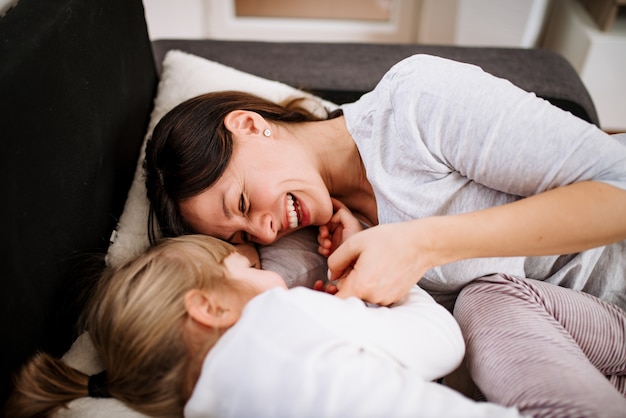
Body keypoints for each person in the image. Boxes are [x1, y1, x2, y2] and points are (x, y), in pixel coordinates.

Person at [143, 54, 626, 311]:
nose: (267, 231)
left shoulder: (415, 105)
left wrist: (421, 244)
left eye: (244, 201)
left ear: (248, 125)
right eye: (247, 234)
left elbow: (619, 189)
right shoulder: (314, 242)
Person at [5, 234, 626, 418]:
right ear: (211, 308)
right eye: (245, 267)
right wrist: (394, 278)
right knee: (489, 295)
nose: (269, 271)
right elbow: (443, 346)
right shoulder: (279, 318)